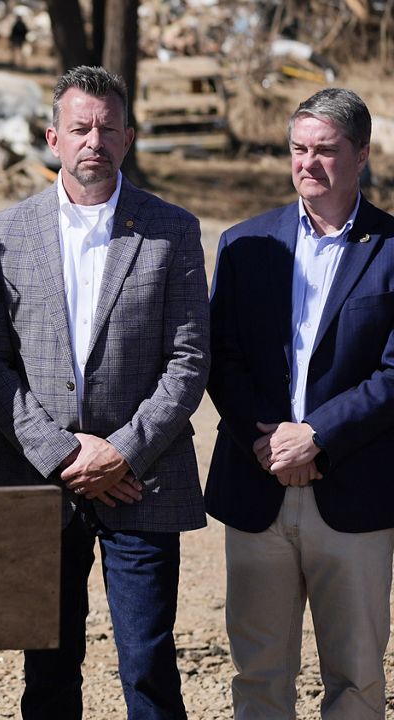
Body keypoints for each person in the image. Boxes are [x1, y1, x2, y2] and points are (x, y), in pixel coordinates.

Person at [0, 66, 209, 719]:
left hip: (143, 479)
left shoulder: (173, 229)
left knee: (149, 666)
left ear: (127, 137)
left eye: (106, 128)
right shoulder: (5, 233)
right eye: (79, 128)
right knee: (46, 668)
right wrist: (63, 455)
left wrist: (123, 453)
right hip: (40, 481)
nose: (92, 141)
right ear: (53, 136)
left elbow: (189, 359)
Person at [205, 88, 394, 720]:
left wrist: (318, 435)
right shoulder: (243, 243)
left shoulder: (393, 250)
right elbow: (217, 356)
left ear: (362, 155)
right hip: (257, 487)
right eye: (298, 148)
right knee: (258, 674)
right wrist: (265, 440)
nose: (308, 162)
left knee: (359, 677)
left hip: (357, 491)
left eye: (326, 150)